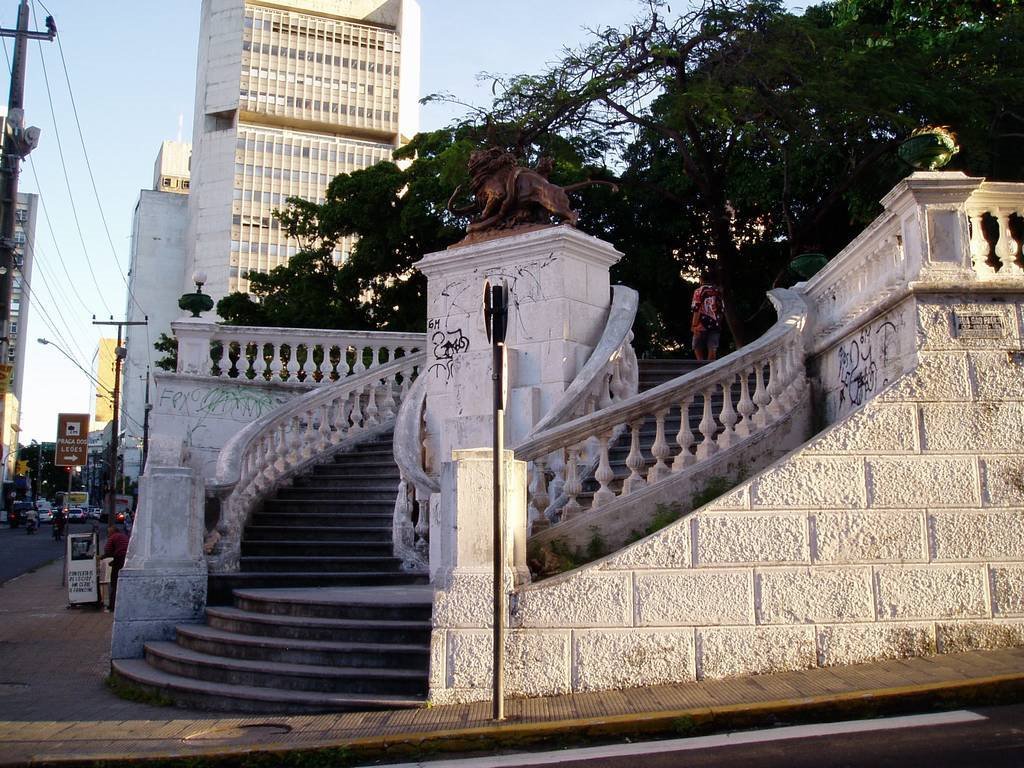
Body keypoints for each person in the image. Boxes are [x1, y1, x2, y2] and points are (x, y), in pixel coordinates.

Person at [691, 274, 724, 361]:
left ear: (701, 280)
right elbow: (721, 310)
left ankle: (701, 367)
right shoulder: (718, 292)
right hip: (715, 323)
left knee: (697, 347)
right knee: (712, 348)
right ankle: (710, 367)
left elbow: (696, 309)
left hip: (701, 324)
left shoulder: (698, 291)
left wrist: (694, 325)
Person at [102, 524, 130, 612]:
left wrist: (101, 557)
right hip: (127, 559)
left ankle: (112, 606)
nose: (108, 534)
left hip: (120, 559)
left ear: (112, 532)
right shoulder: (123, 536)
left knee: (114, 583)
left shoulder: (113, 537)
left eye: (108, 532)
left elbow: (107, 550)